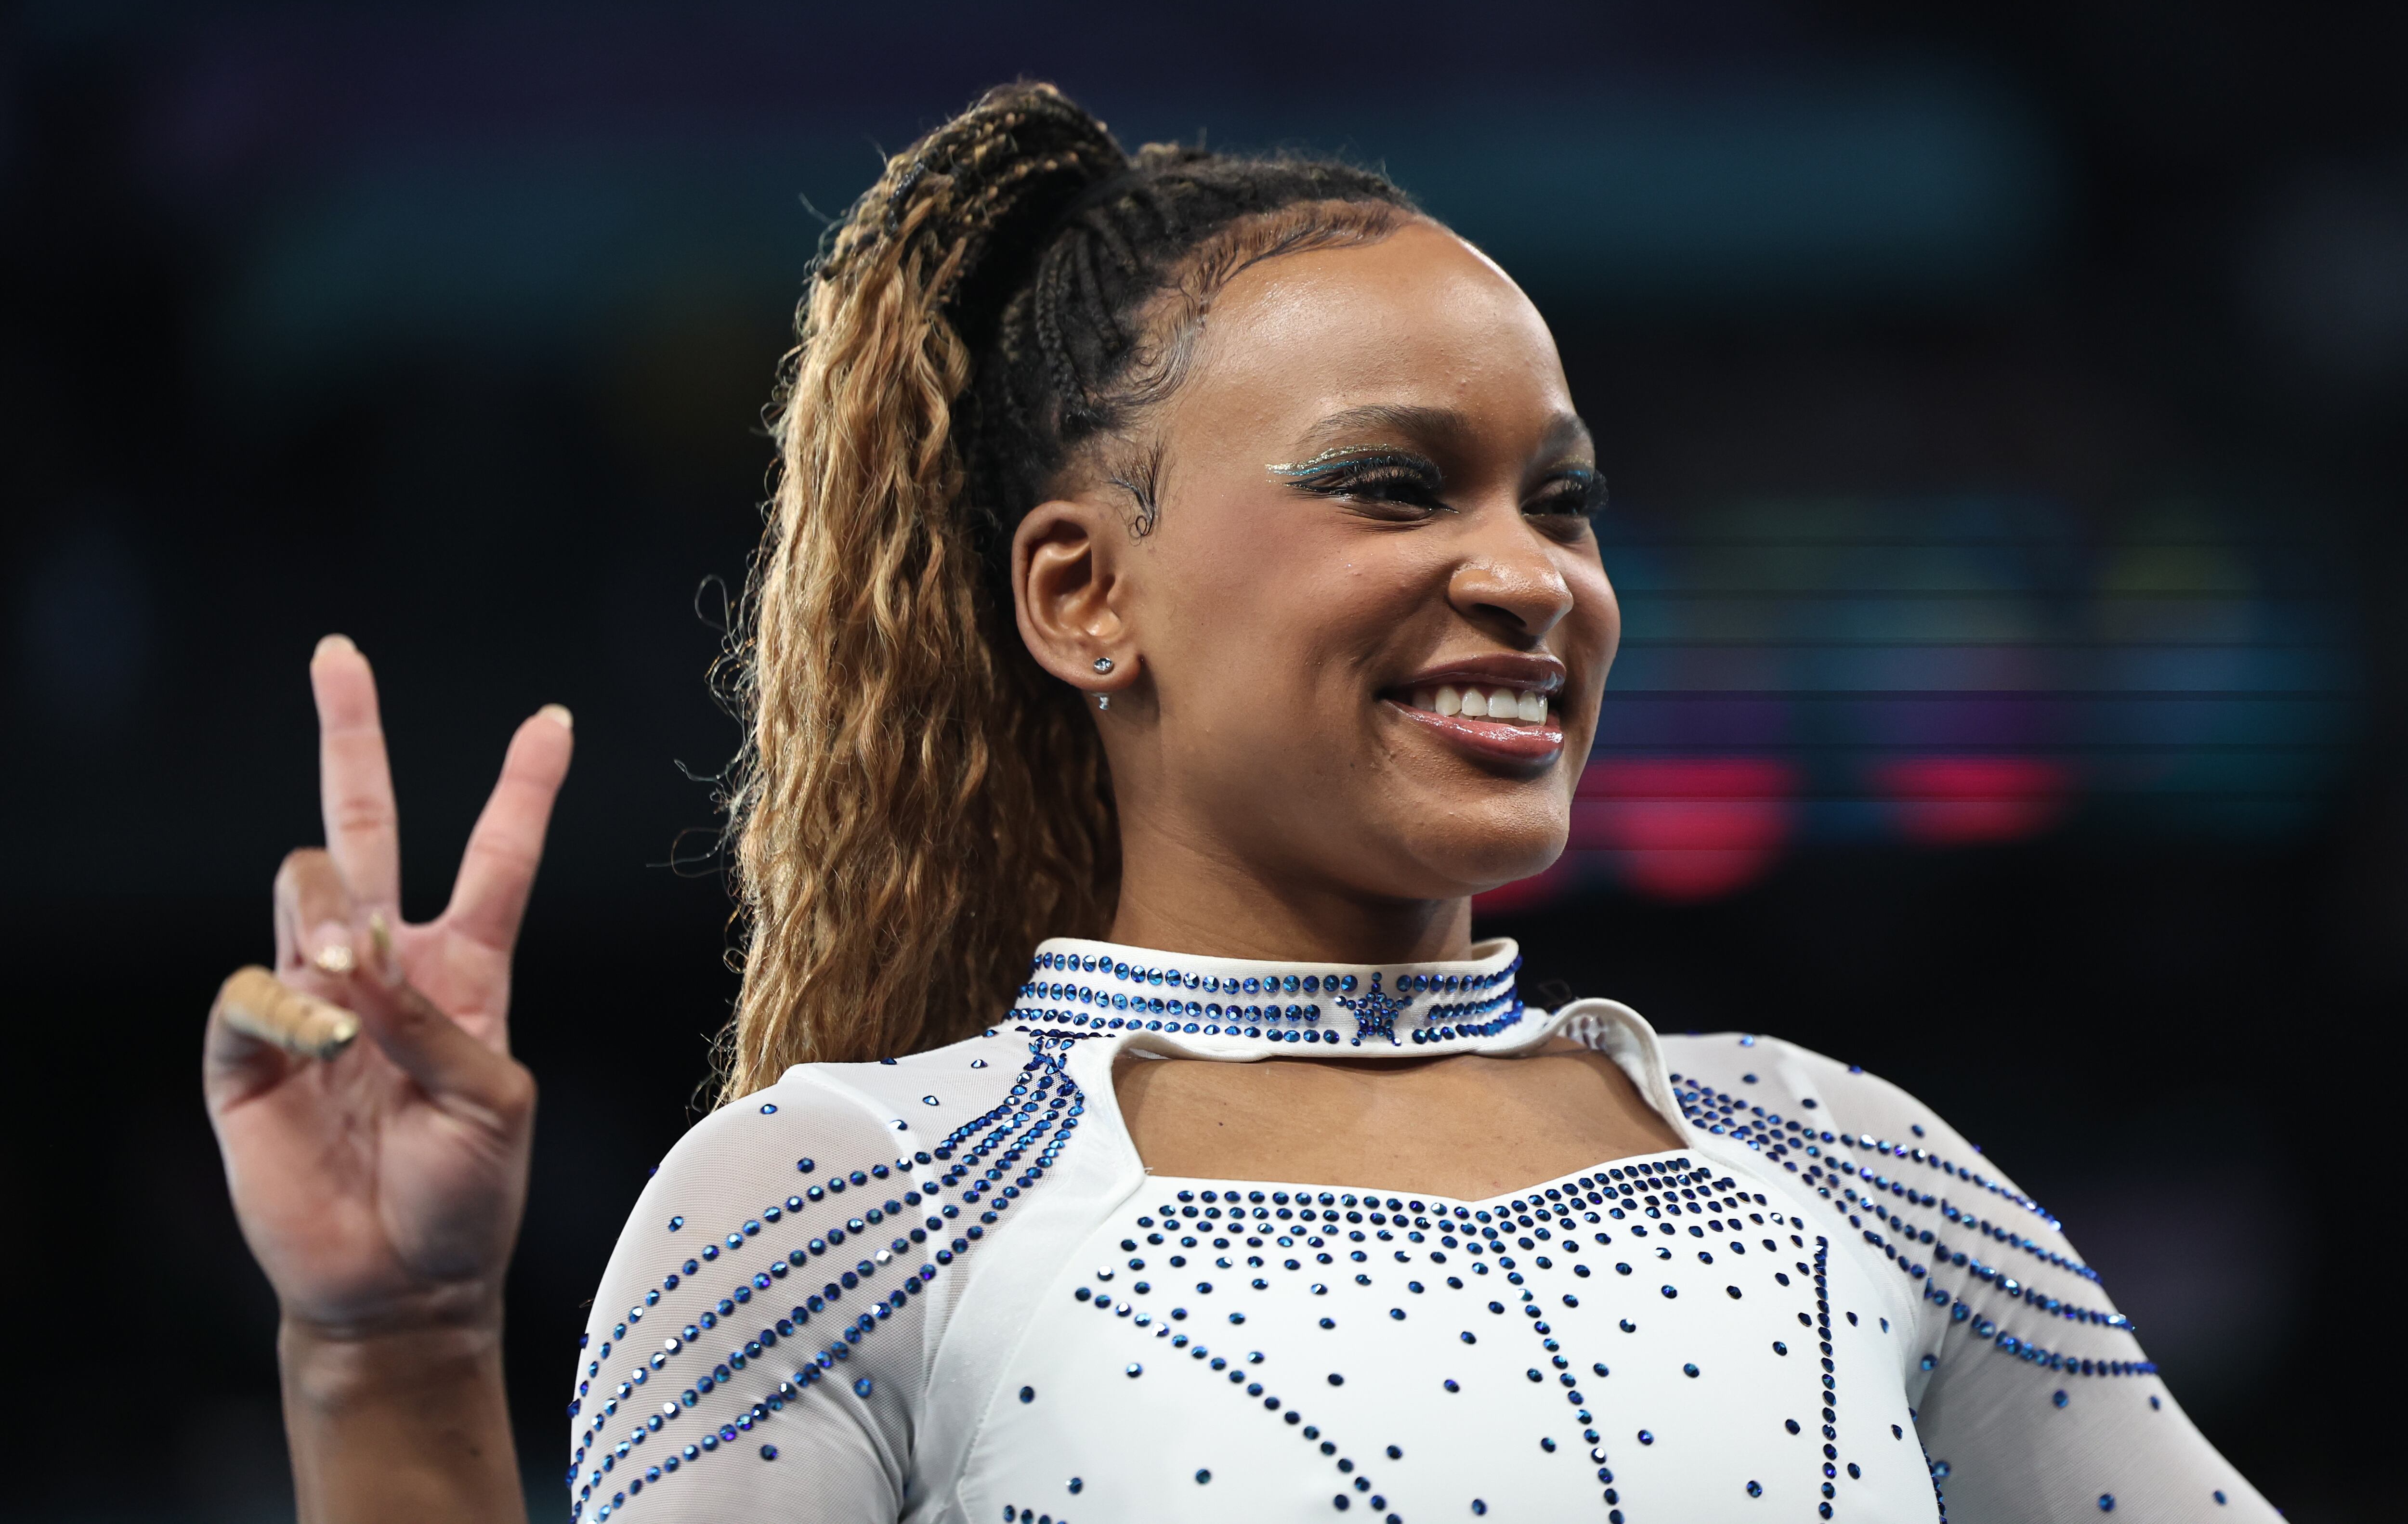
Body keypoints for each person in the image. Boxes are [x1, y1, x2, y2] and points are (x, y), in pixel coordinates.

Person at [205, 83, 2275, 1524]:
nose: (1528, 575)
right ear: (1083, 593)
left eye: (1559, 502)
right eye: (1393, 484)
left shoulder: (1837, 1160)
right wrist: (389, 1353)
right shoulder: (848, 1206)